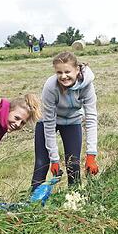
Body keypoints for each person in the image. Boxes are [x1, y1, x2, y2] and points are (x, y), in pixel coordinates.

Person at [31, 52, 99, 190]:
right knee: (41, 163)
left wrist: (91, 155)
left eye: (67, 71)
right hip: (48, 121)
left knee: (73, 164)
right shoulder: (51, 87)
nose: (63, 76)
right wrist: (54, 159)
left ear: (77, 70)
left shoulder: (87, 86)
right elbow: (49, 125)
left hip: (72, 121)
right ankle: (33, 203)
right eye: (59, 72)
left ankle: (74, 198)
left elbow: (91, 119)